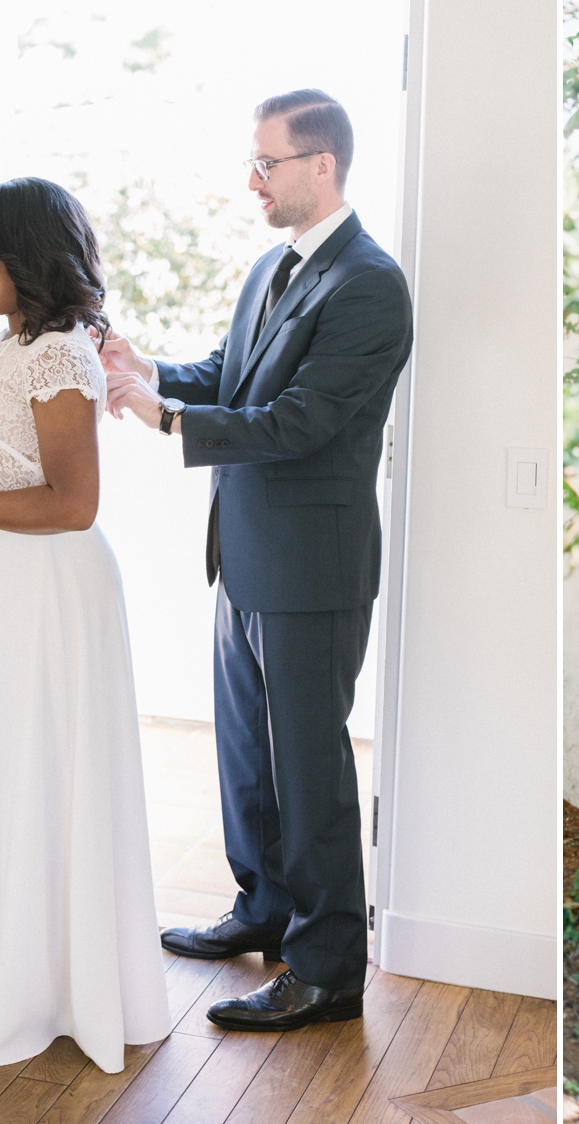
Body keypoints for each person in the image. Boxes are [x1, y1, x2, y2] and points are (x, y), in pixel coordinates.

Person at [101, 89, 413, 1032]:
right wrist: (147, 369)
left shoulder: (370, 283)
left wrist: (165, 419)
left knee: (310, 772)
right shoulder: (270, 270)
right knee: (247, 759)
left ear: (322, 166)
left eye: (266, 164)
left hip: (313, 572)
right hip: (242, 561)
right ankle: (263, 911)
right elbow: (231, 376)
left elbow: (301, 421)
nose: (253, 181)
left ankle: (325, 971)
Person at [0, 177, 171, 1072]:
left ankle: (49, 985)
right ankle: (6, 967)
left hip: (51, 589)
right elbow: (10, 463)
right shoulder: (20, 346)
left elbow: (74, 504)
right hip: (7, 586)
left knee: (42, 766)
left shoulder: (60, 355)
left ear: (26, 255)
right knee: (5, 765)